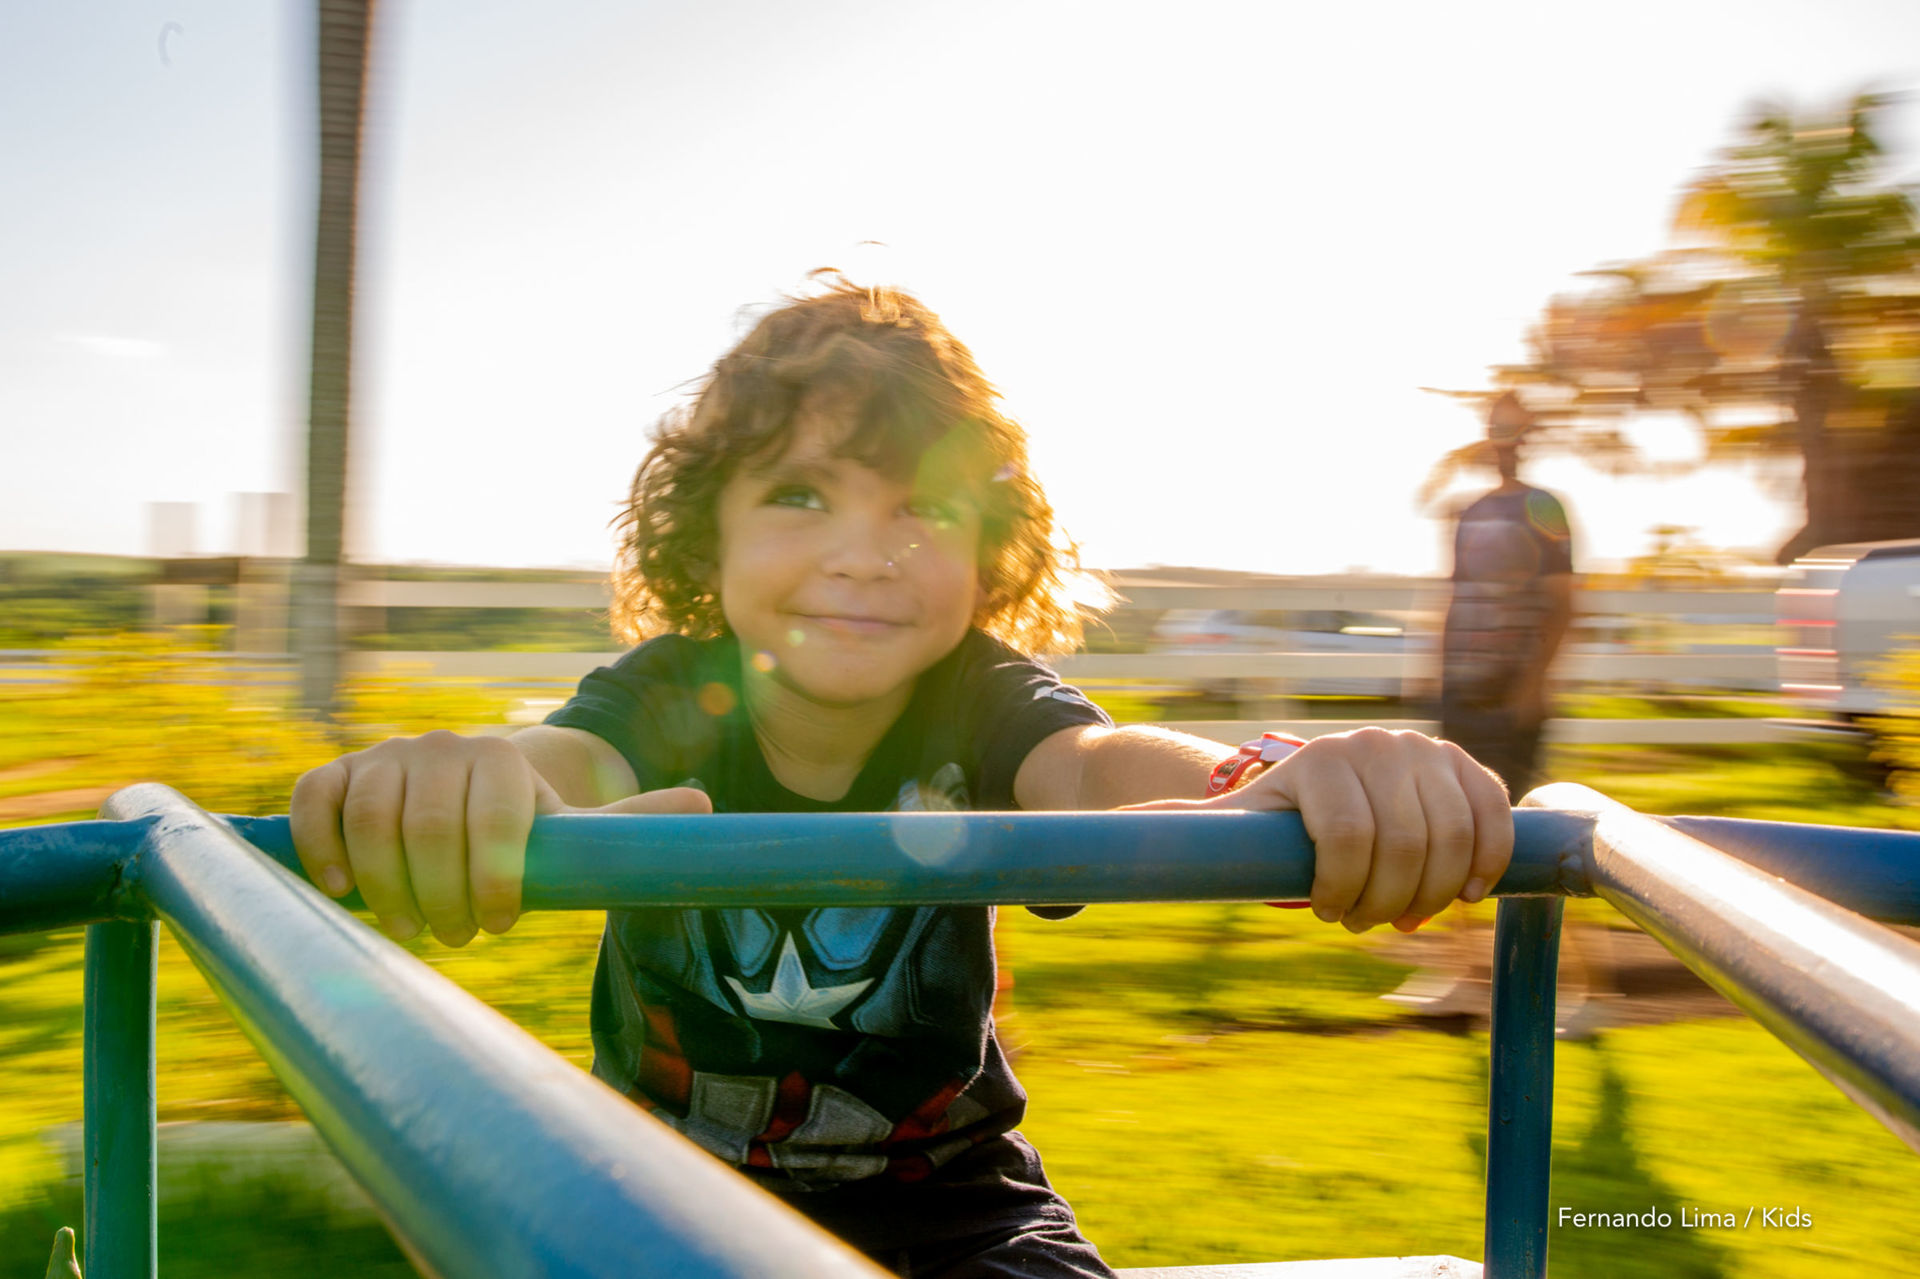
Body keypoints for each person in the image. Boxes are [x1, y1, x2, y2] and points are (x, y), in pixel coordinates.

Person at [289, 276, 1514, 1278]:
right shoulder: (673, 691)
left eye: (922, 508)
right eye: (801, 494)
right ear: (707, 538)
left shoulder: (979, 696)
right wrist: (467, 778)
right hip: (653, 1198)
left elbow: (1093, 765)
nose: (864, 555)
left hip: (963, 1216)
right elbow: (563, 764)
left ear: (990, 553)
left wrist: (1266, 772)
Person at [1387, 390, 1614, 1037]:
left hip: (1511, 695)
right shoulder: (1471, 510)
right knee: (1452, 828)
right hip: (1461, 690)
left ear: (1528, 435)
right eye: (1496, 427)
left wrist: (1533, 684)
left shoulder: (1546, 508)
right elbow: (1453, 594)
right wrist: (1431, 669)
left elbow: (1564, 601)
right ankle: (1462, 977)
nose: (1503, 438)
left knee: (1532, 835)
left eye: (1512, 428)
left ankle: (1591, 990)